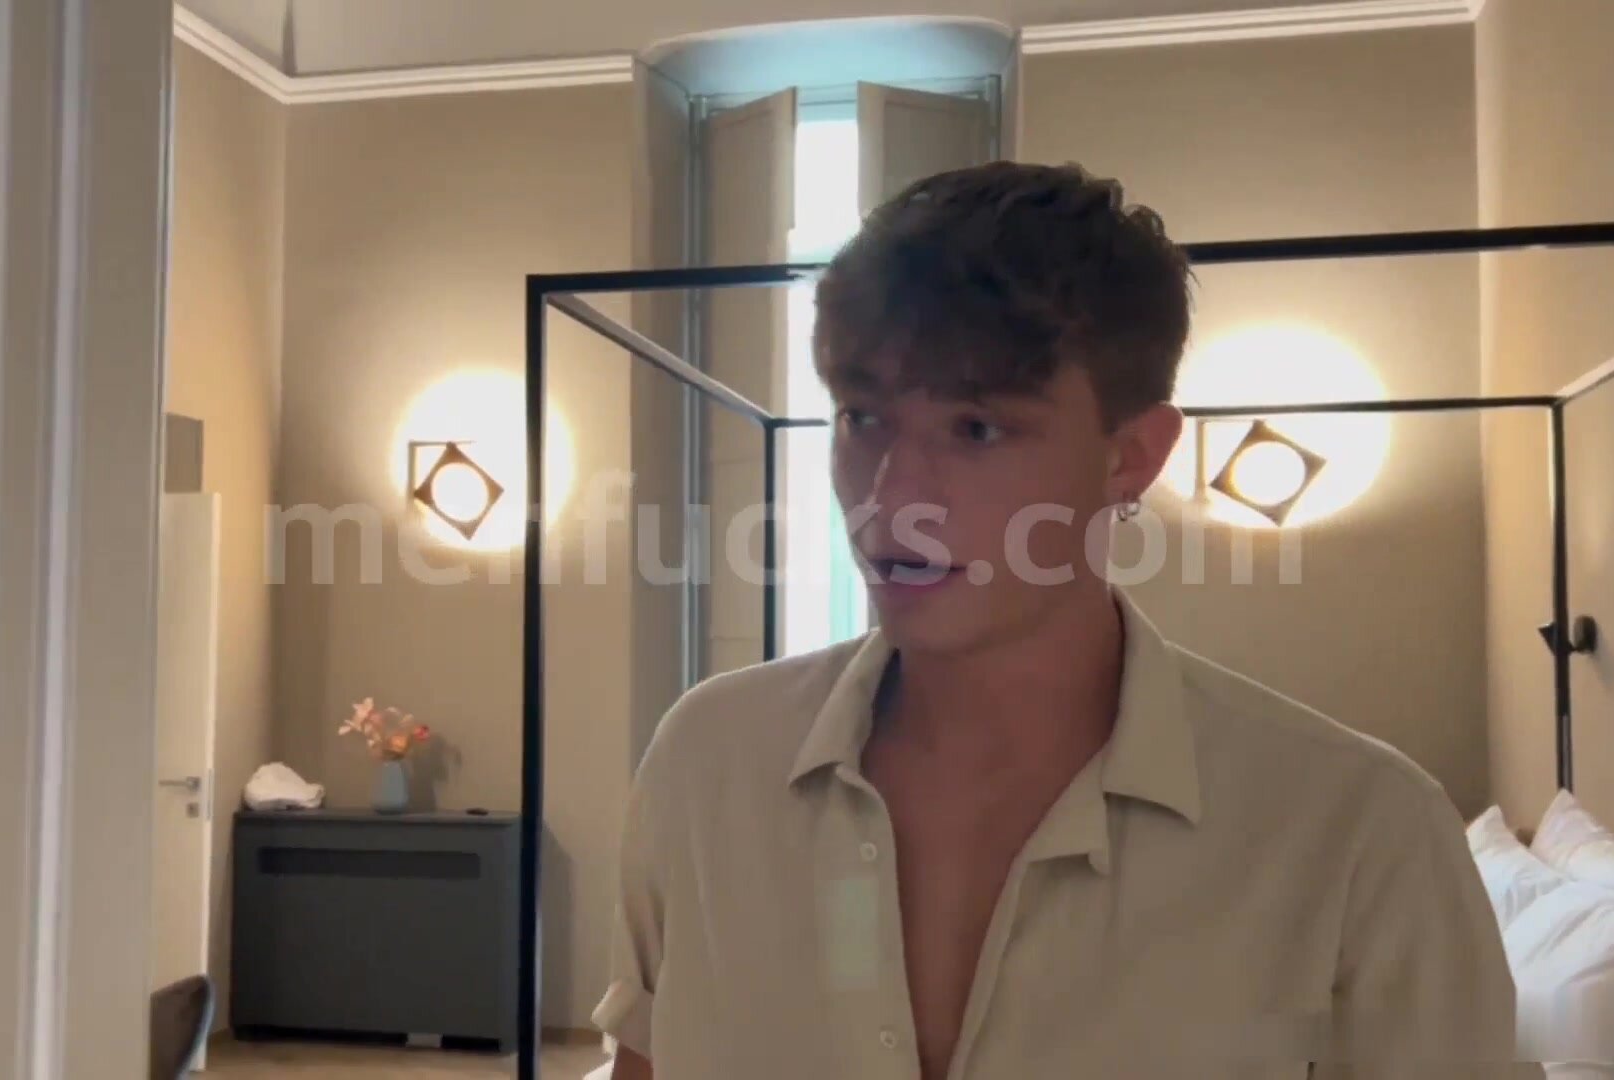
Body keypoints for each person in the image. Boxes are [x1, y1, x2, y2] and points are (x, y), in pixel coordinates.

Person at [593, 162, 1529, 1080]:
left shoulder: (1357, 833)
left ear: (1131, 456)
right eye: (863, 418)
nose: (894, 495)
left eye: (976, 429)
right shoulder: (708, 764)